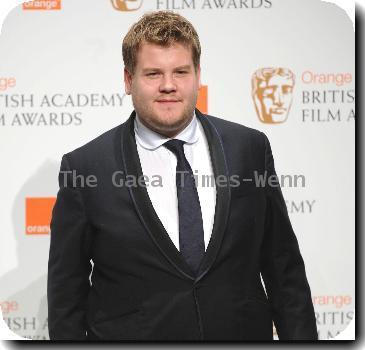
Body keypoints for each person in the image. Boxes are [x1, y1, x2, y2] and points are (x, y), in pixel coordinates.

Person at [47, 10, 317, 341]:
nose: (168, 85)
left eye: (180, 71)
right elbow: (66, 295)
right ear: (128, 80)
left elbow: (283, 268)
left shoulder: (249, 148)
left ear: (198, 75)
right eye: (152, 74)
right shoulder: (85, 167)